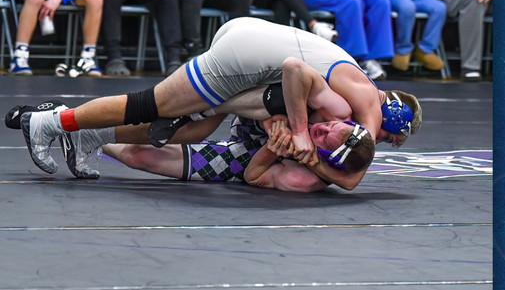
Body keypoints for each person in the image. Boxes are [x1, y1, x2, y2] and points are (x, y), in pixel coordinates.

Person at [20, 17, 421, 189]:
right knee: (152, 106)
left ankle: (87, 136)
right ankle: (53, 122)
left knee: (193, 124)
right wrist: (300, 133)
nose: (377, 141)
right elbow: (352, 176)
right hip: (252, 59)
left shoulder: (350, 88)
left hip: (249, 42)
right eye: (387, 137)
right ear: (389, 116)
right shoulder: (359, 109)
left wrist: (281, 128)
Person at [103, 115, 375, 192]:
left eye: (326, 138)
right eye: (331, 126)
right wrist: (276, 117)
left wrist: (272, 149)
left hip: (237, 160)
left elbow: (253, 176)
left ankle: (83, 134)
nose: (321, 128)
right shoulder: (330, 109)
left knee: (137, 155)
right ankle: (82, 124)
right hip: (250, 116)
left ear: (329, 157)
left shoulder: (303, 178)